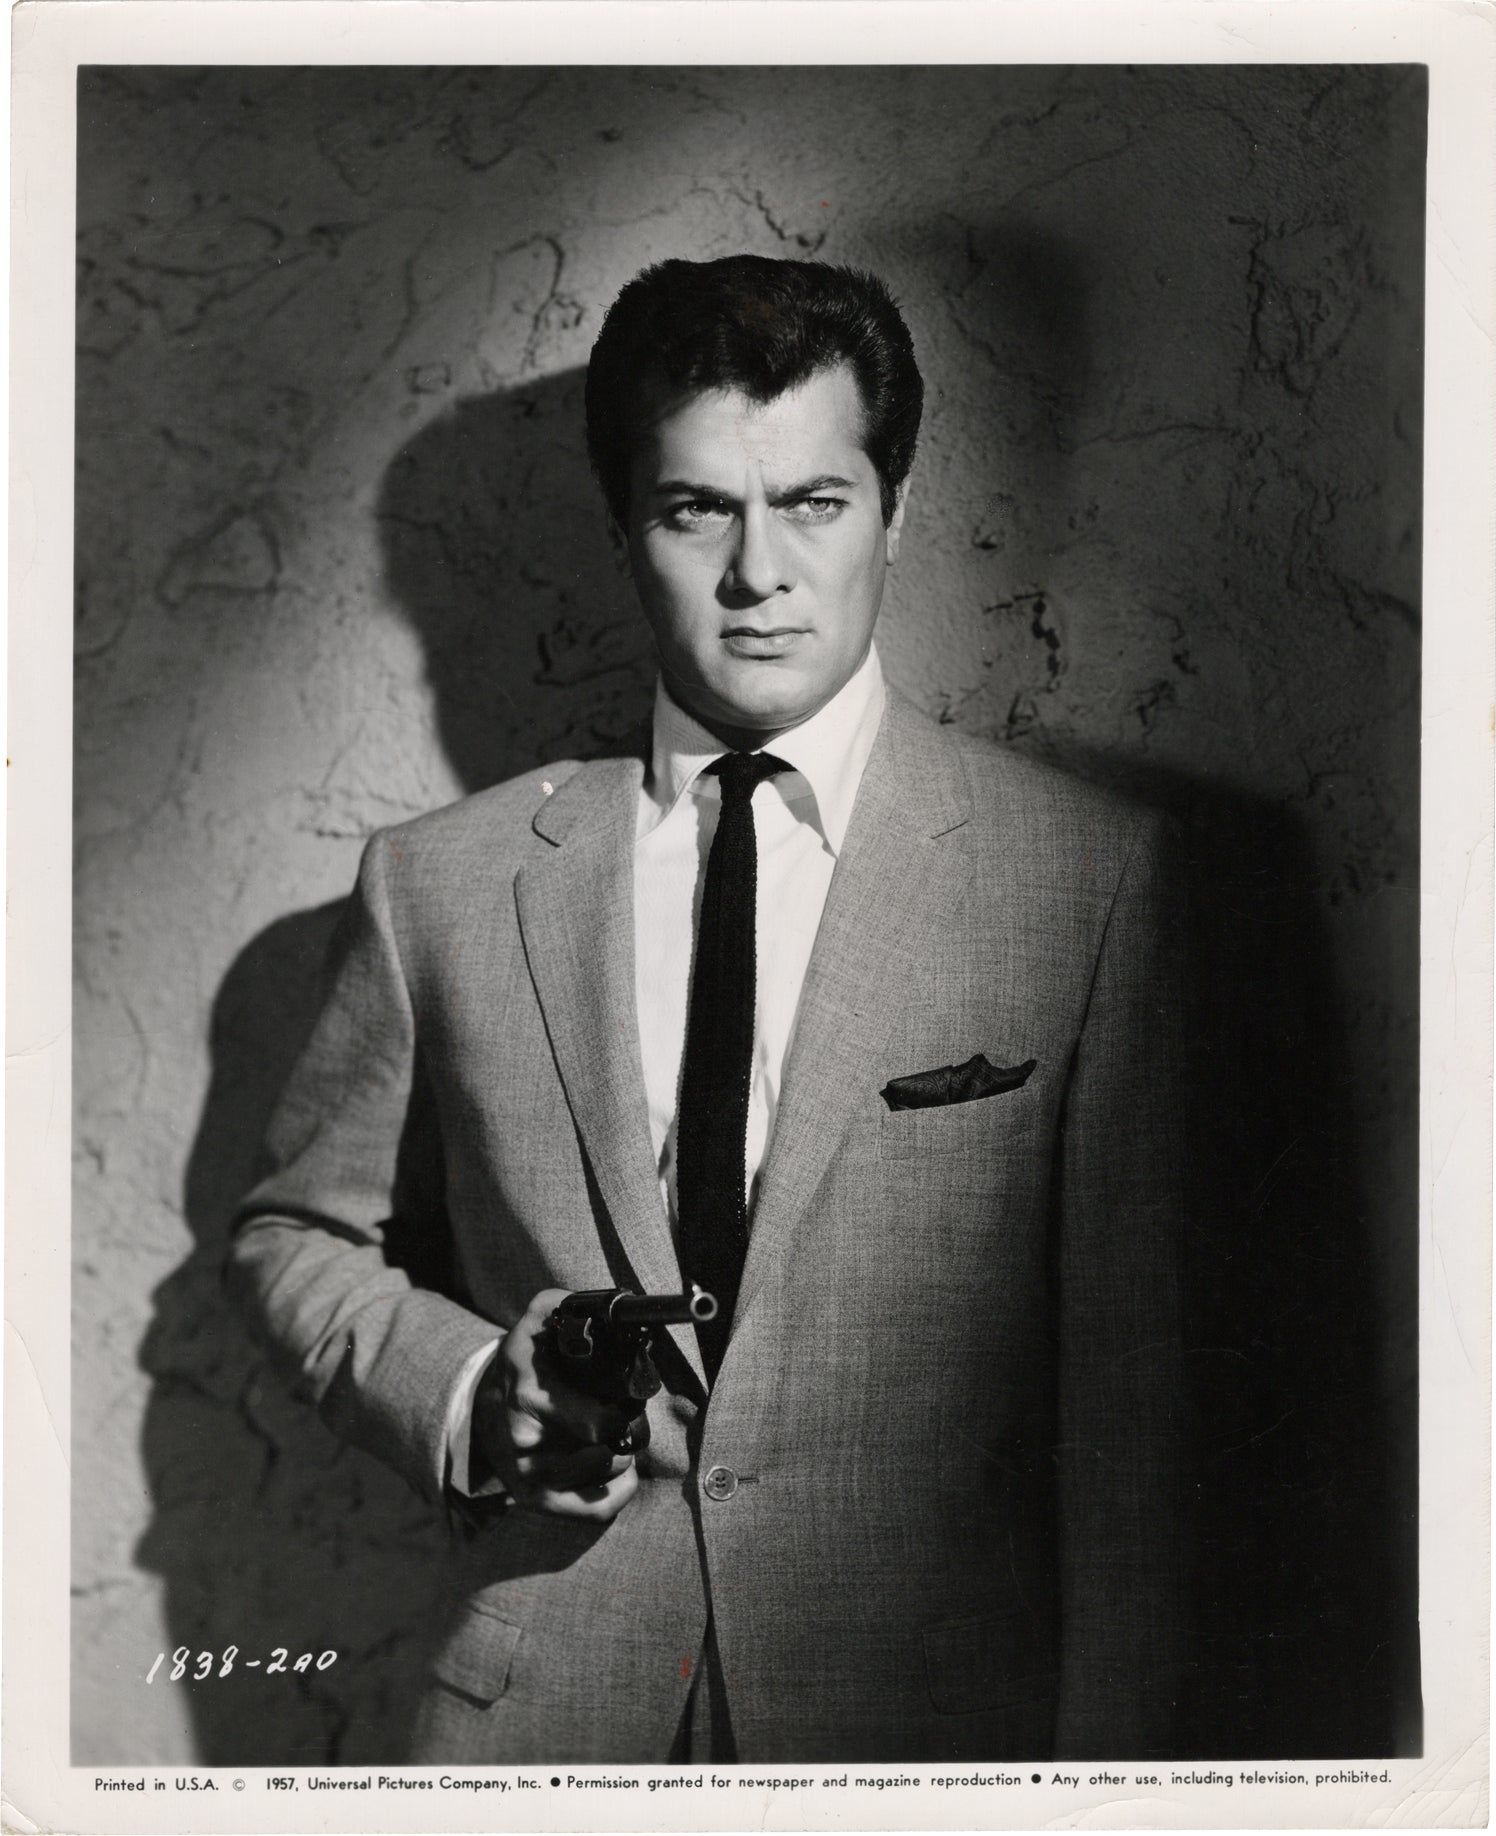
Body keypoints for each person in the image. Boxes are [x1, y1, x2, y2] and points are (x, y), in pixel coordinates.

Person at [229, 253, 1188, 1765]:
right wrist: (472, 1394)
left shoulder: (1089, 879)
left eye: (814, 501)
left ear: (896, 513)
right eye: (697, 510)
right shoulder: (441, 885)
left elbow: (1145, 1432)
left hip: (930, 1739)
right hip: (537, 1731)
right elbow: (296, 1232)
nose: (759, 573)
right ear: (625, 525)